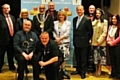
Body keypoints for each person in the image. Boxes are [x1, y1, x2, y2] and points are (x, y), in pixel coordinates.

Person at [71, 5, 93, 79]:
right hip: (76, 42)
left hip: (84, 42)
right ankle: (78, 70)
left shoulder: (87, 19)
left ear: (83, 10)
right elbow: (75, 31)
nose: (79, 11)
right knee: (78, 58)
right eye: (78, 10)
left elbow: (90, 32)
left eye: (80, 10)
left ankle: (83, 72)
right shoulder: (74, 19)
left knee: (84, 58)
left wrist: (86, 39)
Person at [53, 10, 71, 79]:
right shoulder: (55, 23)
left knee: (64, 57)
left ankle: (63, 70)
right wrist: (56, 39)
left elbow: (67, 33)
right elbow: (53, 32)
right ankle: (58, 70)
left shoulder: (68, 23)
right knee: (57, 57)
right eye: (60, 15)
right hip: (56, 43)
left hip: (65, 42)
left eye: (62, 15)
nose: (61, 16)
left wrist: (60, 39)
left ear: (65, 16)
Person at [91, 8, 108, 76]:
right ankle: (96, 69)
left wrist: (100, 41)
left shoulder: (105, 21)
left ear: (101, 14)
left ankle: (99, 70)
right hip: (94, 42)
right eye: (96, 13)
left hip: (101, 43)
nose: (97, 14)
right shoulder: (93, 21)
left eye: (99, 13)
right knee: (95, 57)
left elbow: (104, 32)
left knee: (101, 58)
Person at [0, 4, 16, 73]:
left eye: (7, 8)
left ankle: (11, 66)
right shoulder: (0, 17)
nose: (6, 9)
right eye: (5, 8)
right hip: (2, 40)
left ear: (10, 9)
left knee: (11, 54)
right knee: (1, 55)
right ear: (2, 9)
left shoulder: (12, 17)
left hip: (11, 39)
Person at [107, 14, 120, 79]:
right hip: (110, 45)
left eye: (115, 19)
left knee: (117, 60)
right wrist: (108, 41)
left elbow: (119, 37)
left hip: (117, 46)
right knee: (112, 60)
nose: (113, 20)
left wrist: (113, 42)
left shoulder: (119, 27)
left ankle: (118, 75)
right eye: (112, 19)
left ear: (117, 20)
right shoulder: (110, 26)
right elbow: (108, 35)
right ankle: (113, 73)